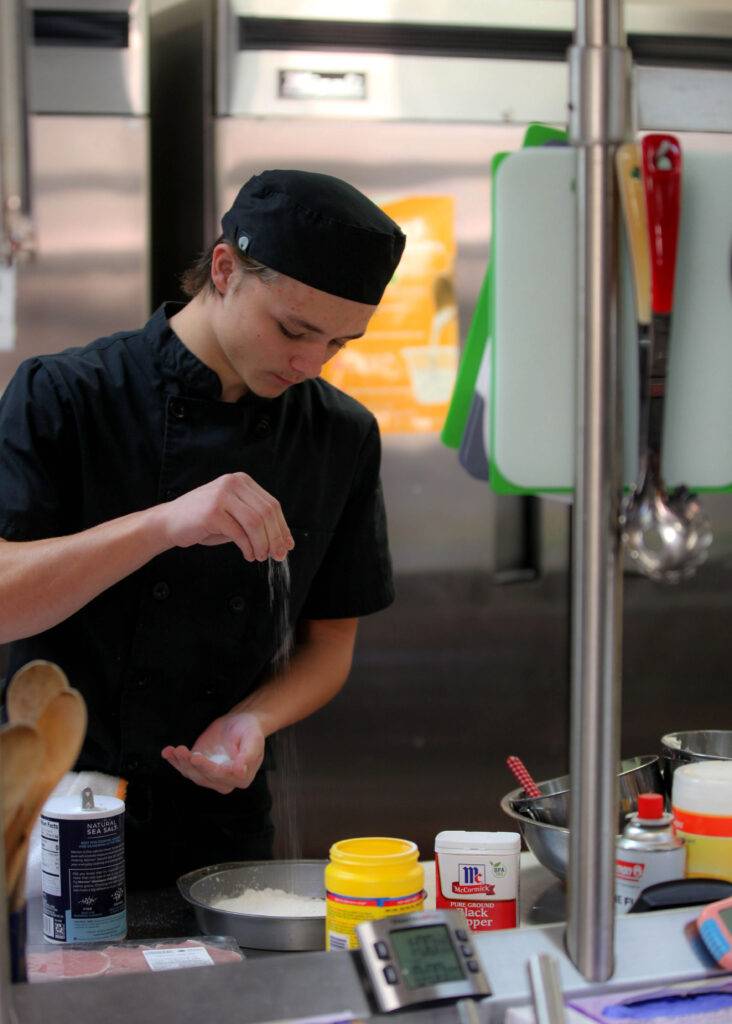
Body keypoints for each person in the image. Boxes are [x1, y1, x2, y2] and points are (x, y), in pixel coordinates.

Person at [0, 169, 406, 886]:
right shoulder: (65, 396)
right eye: (293, 329)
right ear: (224, 268)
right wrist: (162, 524)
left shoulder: (338, 435)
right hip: (43, 814)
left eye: (339, 344)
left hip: (217, 821)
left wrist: (254, 722)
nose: (309, 364)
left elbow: (329, 643)